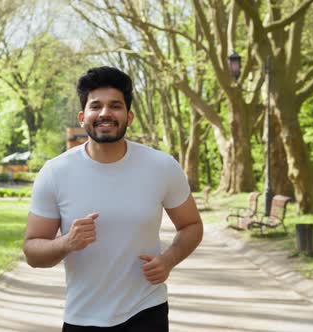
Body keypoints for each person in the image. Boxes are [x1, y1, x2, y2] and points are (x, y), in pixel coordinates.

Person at [23, 66, 203, 332]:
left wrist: (168, 260)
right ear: (83, 117)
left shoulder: (161, 166)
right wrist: (66, 243)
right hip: (82, 316)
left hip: (146, 312)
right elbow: (32, 252)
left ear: (129, 117)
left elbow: (192, 226)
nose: (105, 113)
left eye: (115, 106)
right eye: (96, 106)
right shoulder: (55, 172)